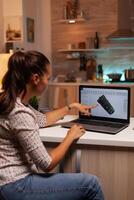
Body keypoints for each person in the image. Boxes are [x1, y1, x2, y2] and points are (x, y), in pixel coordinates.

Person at [0, 51, 104, 200]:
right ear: (36, 78)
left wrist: (71, 106)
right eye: (47, 78)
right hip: (16, 186)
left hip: (6, 182)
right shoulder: (19, 113)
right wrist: (70, 136)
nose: (48, 82)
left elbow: (42, 120)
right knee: (91, 184)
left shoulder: (11, 100)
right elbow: (46, 163)